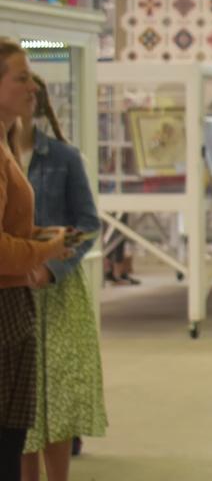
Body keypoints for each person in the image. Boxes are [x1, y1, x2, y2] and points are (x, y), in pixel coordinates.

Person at [12, 76, 107, 481]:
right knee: (21, 404)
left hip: (58, 293)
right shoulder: (4, 156)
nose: (27, 98)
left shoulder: (64, 158)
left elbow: (87, 224)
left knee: (60, 399)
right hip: (13, 292)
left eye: (33, 92)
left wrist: (50, 267)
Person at [0, 41, 74, 479]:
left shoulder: (8, 143)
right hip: (6, 308)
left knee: (12, 435)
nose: (33, 87)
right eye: (21, 77)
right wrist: (45, 249)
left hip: (15, 301)